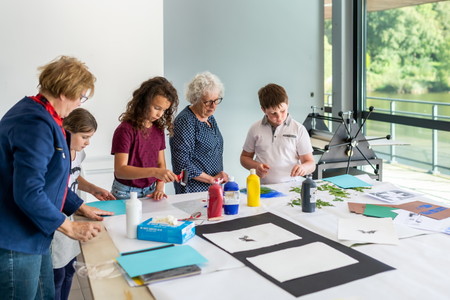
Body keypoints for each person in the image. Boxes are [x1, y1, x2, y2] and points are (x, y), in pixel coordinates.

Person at [0, 56, 113, 299]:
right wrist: (69, 226)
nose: (77, 104)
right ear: (64, 92)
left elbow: (52, 179)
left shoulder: (45, 117)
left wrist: (80, 206)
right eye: (80, 97)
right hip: (16, 239)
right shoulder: (34, 122)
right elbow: (29, 192)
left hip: (34, 233)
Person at [52, 108, 116, 300]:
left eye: (90, 137)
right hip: (57, 219)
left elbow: (75, 176)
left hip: (70, 215)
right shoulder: (57, 155)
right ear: (68, 130)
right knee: (58, 273)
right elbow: (58, 188)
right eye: (84, 137)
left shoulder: (79, 154)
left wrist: (93, 189)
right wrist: (82, 206)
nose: (88, 142)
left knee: (70, 269)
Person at [111, 76, 180, 200]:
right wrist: (154, 172)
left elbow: (160, 164)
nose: (160, 114)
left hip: (150, 190)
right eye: (157, 108)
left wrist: (159, 187)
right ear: (144, 102)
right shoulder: (124, 130)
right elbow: (120, 170)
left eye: (164, 110)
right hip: (125, 193)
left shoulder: (158, 130)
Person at [240, 83, 316, 184]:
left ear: (288, 104)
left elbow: (311, 163)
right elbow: (244, 158)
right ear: (263, 110)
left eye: (283, 111)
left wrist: (304, 168)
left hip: (292, 186)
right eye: (273, 113)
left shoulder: (299, 129)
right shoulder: (255, 129)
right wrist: (256, 166)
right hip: (264, 187)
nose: (279, 117)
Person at [170, 71, 229, 194]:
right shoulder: (185, 121)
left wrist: (218, 177)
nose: (213, 106)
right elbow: (182, 164)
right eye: (207, 101)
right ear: (194, 99)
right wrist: (211, 179)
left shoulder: (209, 117)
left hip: (212, 187)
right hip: (192, 190)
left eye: (216, 100)